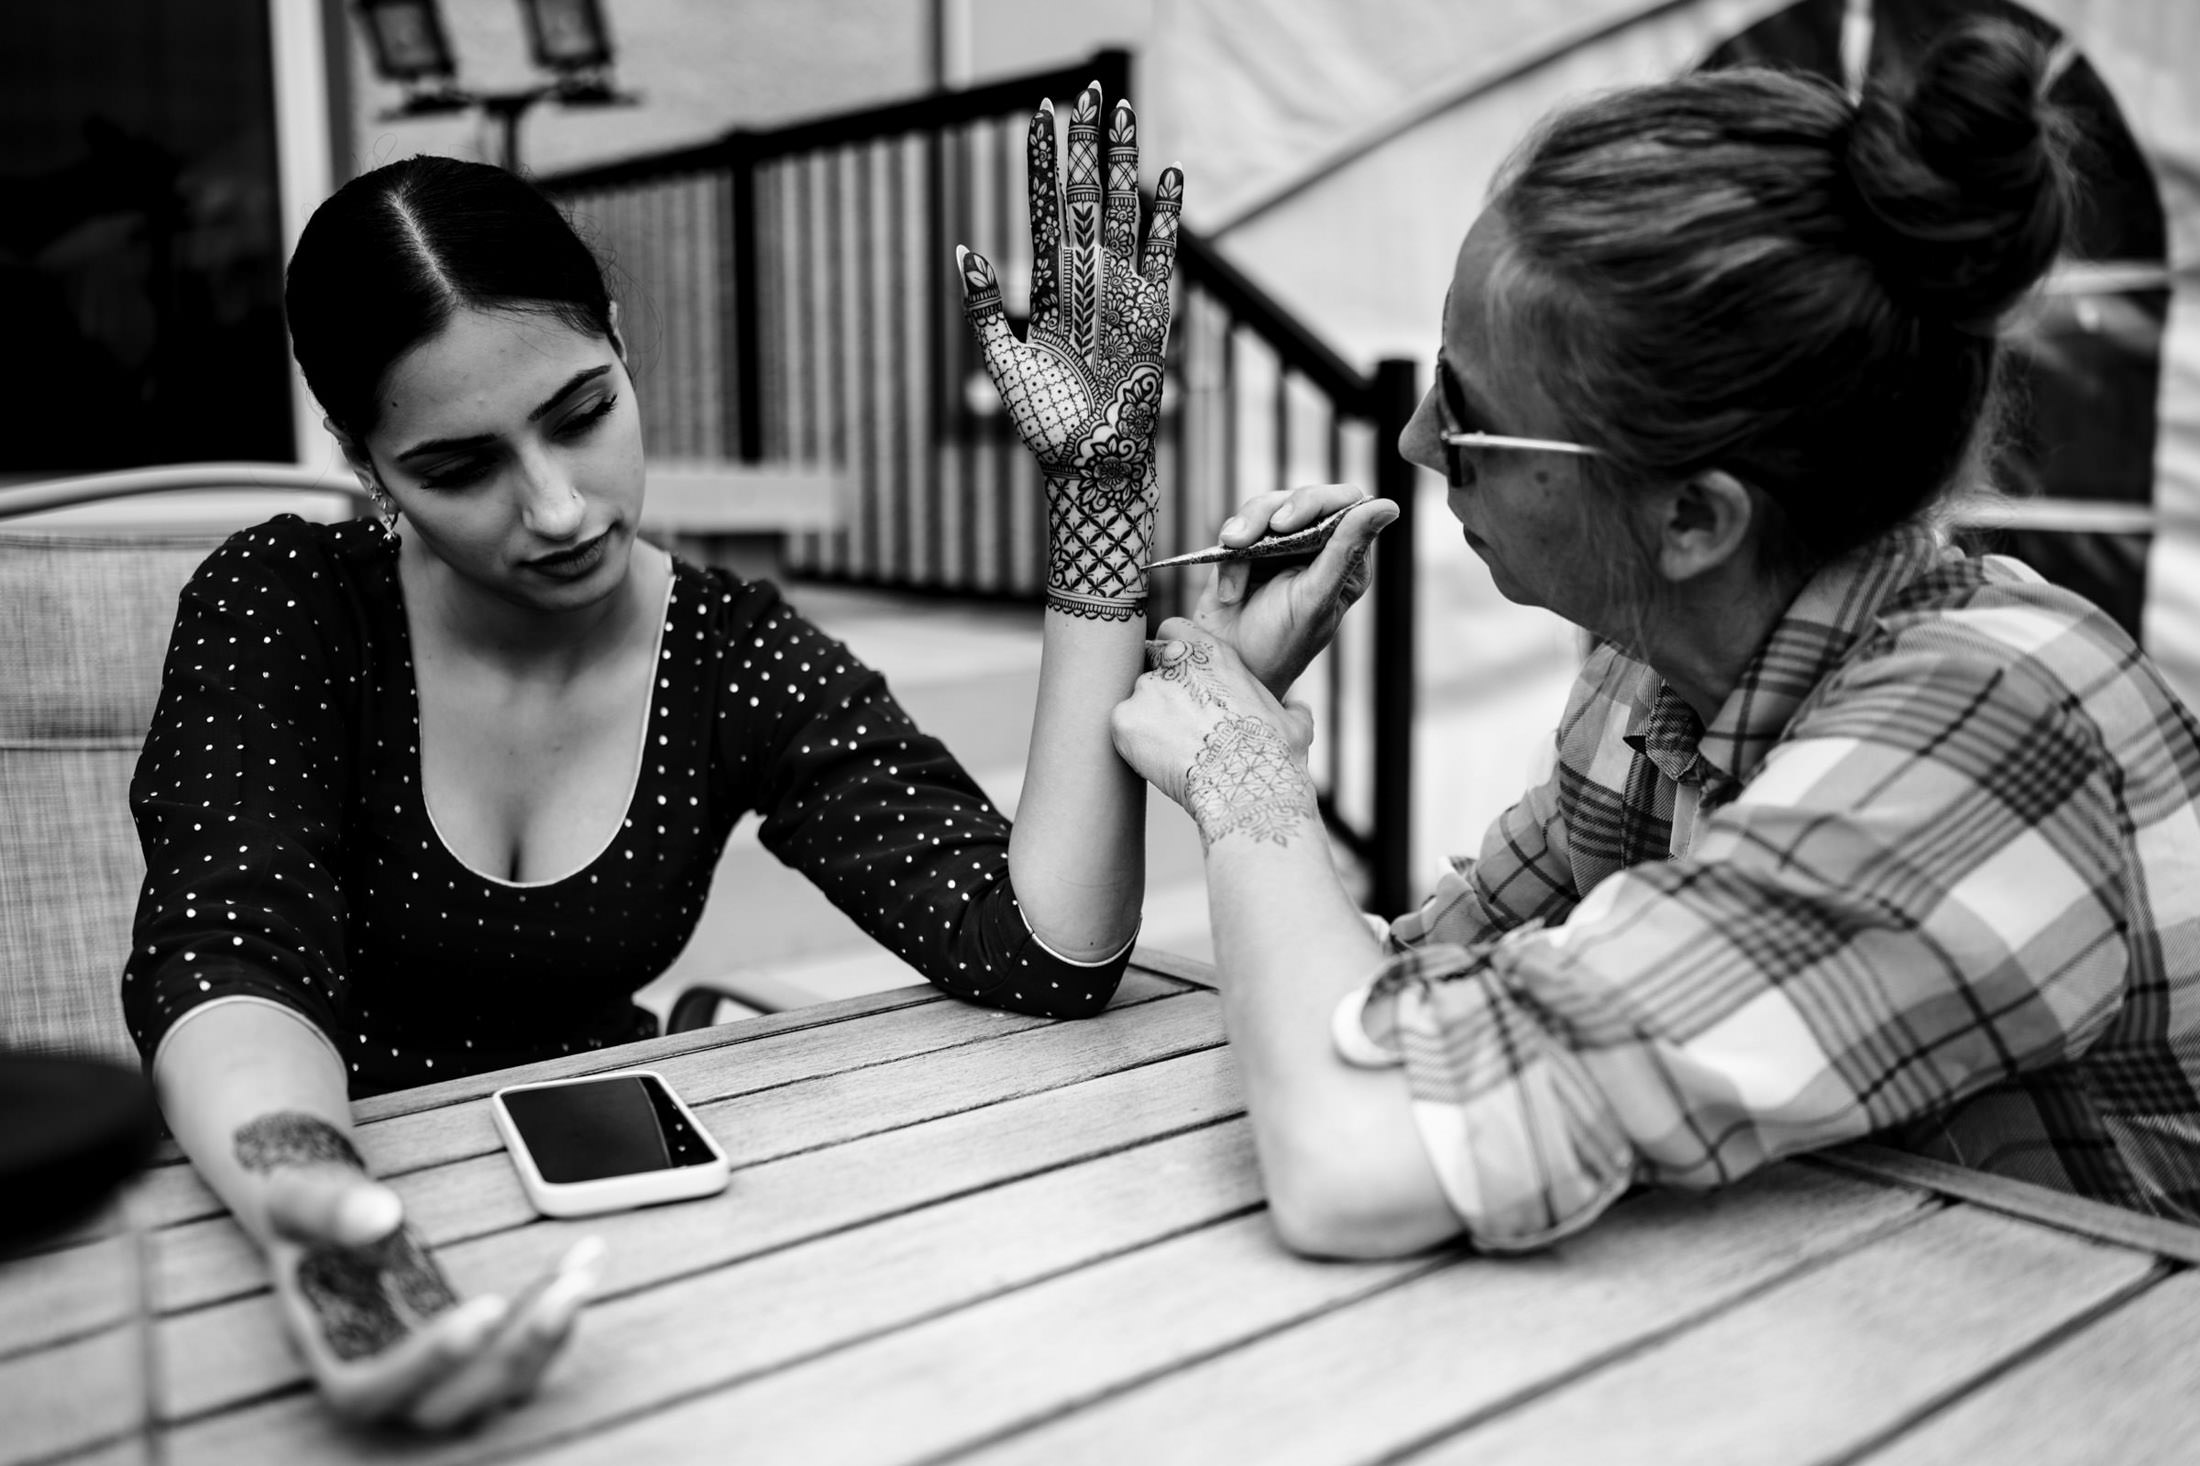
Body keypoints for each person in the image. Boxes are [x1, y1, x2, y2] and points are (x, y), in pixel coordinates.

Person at [121, 81, 1203, 1428]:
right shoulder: (287, 606)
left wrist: (1100, 510)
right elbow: (231, 956)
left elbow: (1043, 950)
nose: (561, 506)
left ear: (624, 345)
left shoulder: (729, 653)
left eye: (583, 410)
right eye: (460, 466)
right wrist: (334, 1229)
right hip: (312, 1215)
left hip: (628, 1234)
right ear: (363, 460)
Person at [1111, 19, 2200, 1260]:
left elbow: (1357, 1150)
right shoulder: (1654, 679)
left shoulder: (1990, 729)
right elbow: (1377, 1009)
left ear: (1693, 515)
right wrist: (1233, 695)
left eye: (1467, 415)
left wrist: (1244, 774)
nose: (1414, 445)